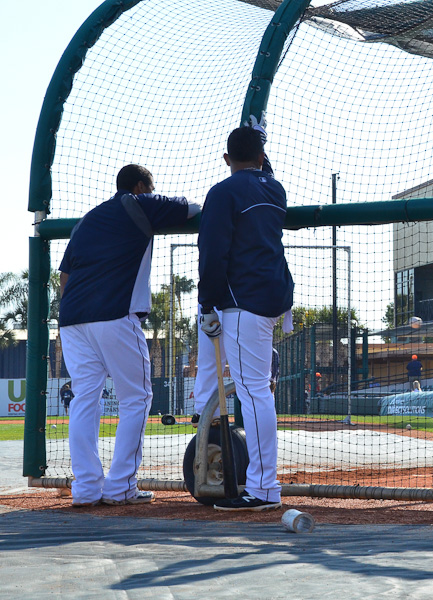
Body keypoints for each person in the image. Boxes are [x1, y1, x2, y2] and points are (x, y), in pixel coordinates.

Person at [58, 164, 200, 507]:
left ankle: (87, 489)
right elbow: (194, 208)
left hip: (72, 319)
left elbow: (64, 276)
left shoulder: (87, 219)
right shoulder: (139, 203)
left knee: (84, 401)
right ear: (140, 187)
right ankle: (120, 486)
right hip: (115, 314)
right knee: (136, 398)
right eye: (150, 188)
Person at [198, 116, 294, 512]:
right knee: (259, 393)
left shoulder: (222, 191)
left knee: (255, 395)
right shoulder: (276, 187)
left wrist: (207, 304)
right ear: (261, 155)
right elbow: (261, 173)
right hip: (276, 298)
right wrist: (262, 141)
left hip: (244, 303)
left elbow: (213, 253)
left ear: (226, 158)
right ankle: (263, 485)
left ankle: (263, 489)